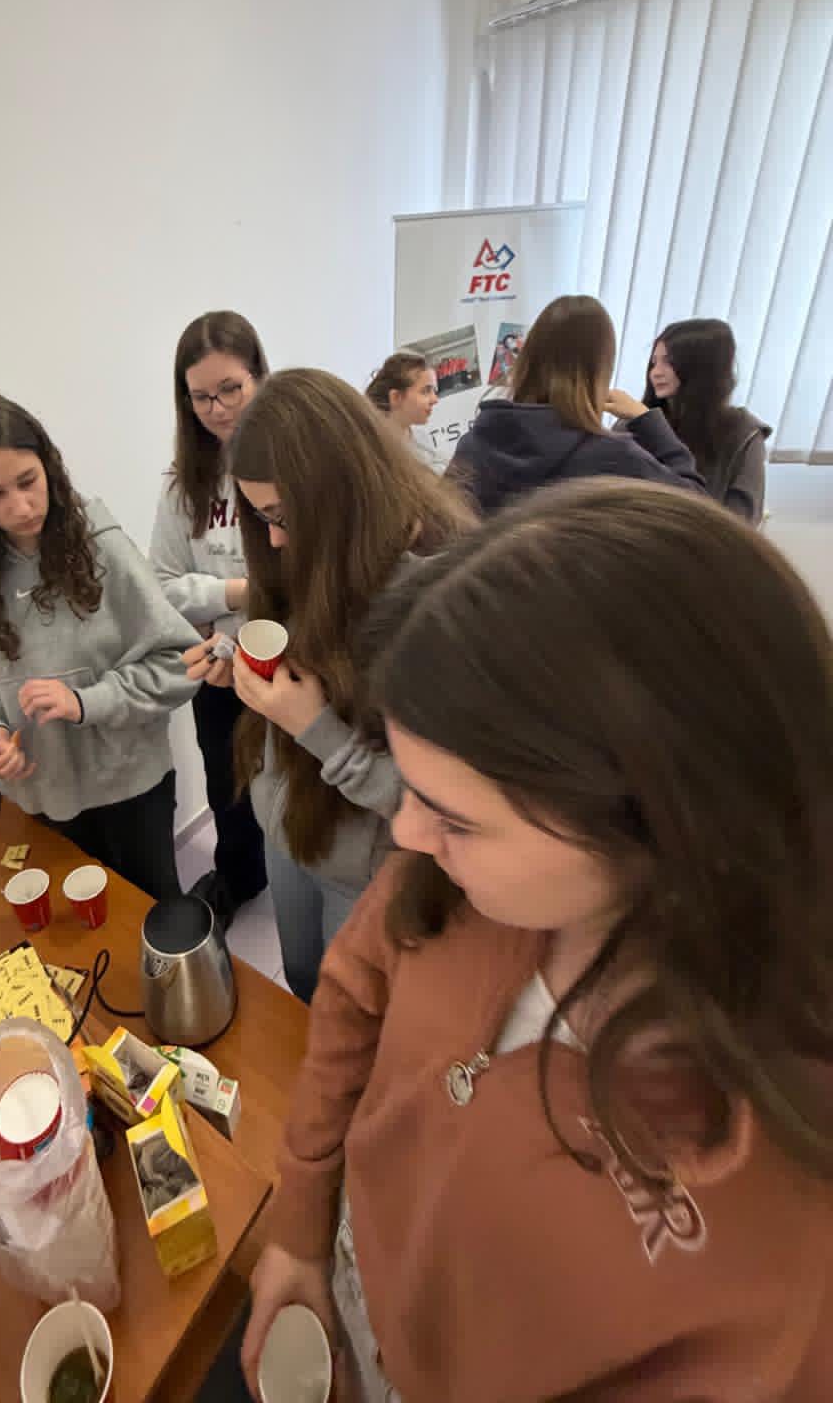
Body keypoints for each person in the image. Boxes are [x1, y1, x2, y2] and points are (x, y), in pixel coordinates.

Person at [242, 480, 833, 1403]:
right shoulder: (446, 883)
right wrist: (302, 1223)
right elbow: (352, 999)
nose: (408, 835)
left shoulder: (780, 1234)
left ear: (659, 826)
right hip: (363, 1281)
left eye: (457, 820)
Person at [221, 369, 471, 1003]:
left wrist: (317, 730)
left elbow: (438, 807)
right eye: (260, 517)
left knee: (345, 1010)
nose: (274, 539)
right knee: (301, 980)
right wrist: (242, 667)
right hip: (289, 832)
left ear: (342, 493)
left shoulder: (437, 599)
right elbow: (304, 653)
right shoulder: (305, 551)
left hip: (363, 868)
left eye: (283, 516)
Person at [0, 392, 199, 902]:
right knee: (81, 930)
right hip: (41, 796)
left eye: (28, 481)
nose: (21, 507)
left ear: (48, 467)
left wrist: (85, 702)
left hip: (130, 789)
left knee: (155, 914)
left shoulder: (102, 546)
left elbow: (180, 662)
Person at [149, 311, 271, 928]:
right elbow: (162, 588)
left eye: (230, 389)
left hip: (289, 665)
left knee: (302, 790)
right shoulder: (183, 487)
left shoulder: (292, 465)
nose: (218, 409)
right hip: (219, 670)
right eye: (201, 397)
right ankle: (241, 877)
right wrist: (240, 591)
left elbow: (310, 577)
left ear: (259, 378)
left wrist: (211, 601)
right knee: (228, 787)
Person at [449, 294, 705, 513]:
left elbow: (441, 528)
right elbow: (697, 506)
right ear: (600, 370)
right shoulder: (613, 457)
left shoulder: (476, 444)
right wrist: (647, 419)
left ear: (529, 358)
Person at [642, 318, 771, 523]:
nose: (655, 372)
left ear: (703, 367)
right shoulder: (636, 422)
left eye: (669, 362)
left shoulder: (744, 434)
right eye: (654, 362)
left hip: (702, 540)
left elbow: (741, 522)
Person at [364, 350, 443, 470]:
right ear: (396, 397)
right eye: (426, 391)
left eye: (434, 391)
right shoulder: (370, 450)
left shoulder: (423, 438)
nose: (435, 399)